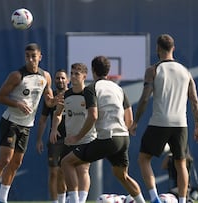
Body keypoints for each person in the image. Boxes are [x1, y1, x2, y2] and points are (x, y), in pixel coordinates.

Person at [129, 34, 198, 203]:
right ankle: (183, 201)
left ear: (158, 48)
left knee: (144, 159)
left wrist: (135, 122)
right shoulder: (186, 72)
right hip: (181, 124)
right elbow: (195, 102)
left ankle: (155, 198)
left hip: (159, 122)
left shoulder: (153, 70)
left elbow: (144, 98)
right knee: (181, 163)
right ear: (173, 49)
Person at [61, 56, 146, 203]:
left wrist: (76, 137)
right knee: (122, 175)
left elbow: (93, 116)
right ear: (108, 71)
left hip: (108, 138)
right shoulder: (118, 89)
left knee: (67, 162)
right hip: (123, 138)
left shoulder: (91, 89)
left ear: (93, 71)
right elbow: (129, 119)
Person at [0, 43, 55, 203]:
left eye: (33, 56)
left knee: (16, 162)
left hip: (27, 125)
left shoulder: (45, 76)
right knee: (5, 159)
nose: (30, 59)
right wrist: (17, 104)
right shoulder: (17, 76)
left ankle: (2, 197)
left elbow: (48, 100)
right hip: (11, 122)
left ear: (40, 57)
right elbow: (0, 97)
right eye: (27, 56)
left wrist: (53, 101)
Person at [50, 63, 97, 203]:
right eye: (72, 73)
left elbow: (94, 115)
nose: (74, 76)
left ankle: (79, 200)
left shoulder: (89, 93)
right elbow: (57, 114)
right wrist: (54, 129)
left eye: (77, 74)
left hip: (87, 138)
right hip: (70, 138)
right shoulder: (66, 95)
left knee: (83, 169)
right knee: (63, 170)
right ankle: (68, 199)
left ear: (84, 76)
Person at [36, 69, 69, 203]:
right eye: (57, 78)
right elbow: (43, 120)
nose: (60, 80)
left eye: (62, 78)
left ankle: (67, 199)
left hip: (71, 140)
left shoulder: (74, 95)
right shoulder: (51, 99)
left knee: (66, 172)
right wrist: (39, 139)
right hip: (55, 140)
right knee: (54, 172)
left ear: (68, 80)